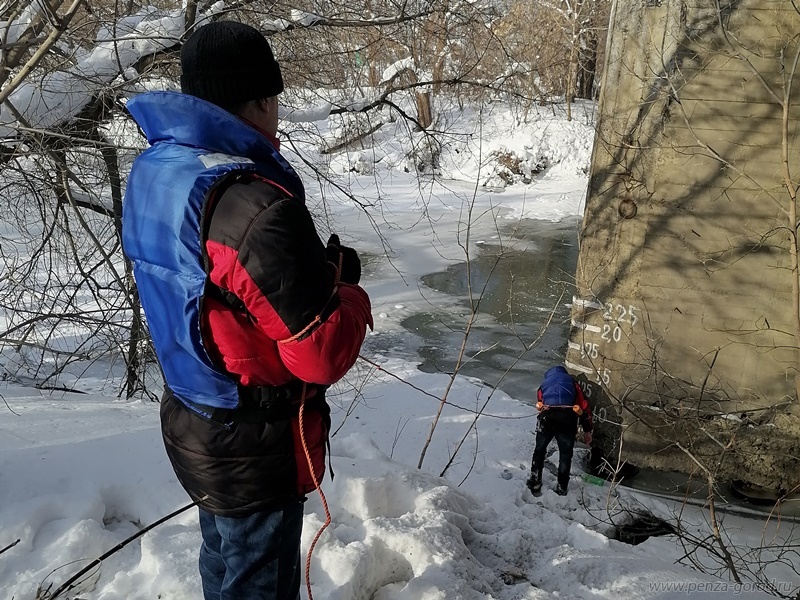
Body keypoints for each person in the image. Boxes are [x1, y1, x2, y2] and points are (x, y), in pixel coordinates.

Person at [121, 21, 373, 600]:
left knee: (223, 561)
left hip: (194, 417)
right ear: (261, 100)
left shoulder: (159, 170)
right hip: (253, 444)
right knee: (257, 581)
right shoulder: (255, 206)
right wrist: (347, 292)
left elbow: (213, 285)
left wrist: (307, 274)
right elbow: (319, 355)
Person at [527, 365, 593, 496]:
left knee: (539, 450)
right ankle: (562, 487)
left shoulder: (544, 384)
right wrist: (587, 430)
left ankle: (535, 481)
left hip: (547, 418)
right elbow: (583, 406)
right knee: (565, 455)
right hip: (567, 419)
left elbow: (540, 402)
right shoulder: (573, 383)